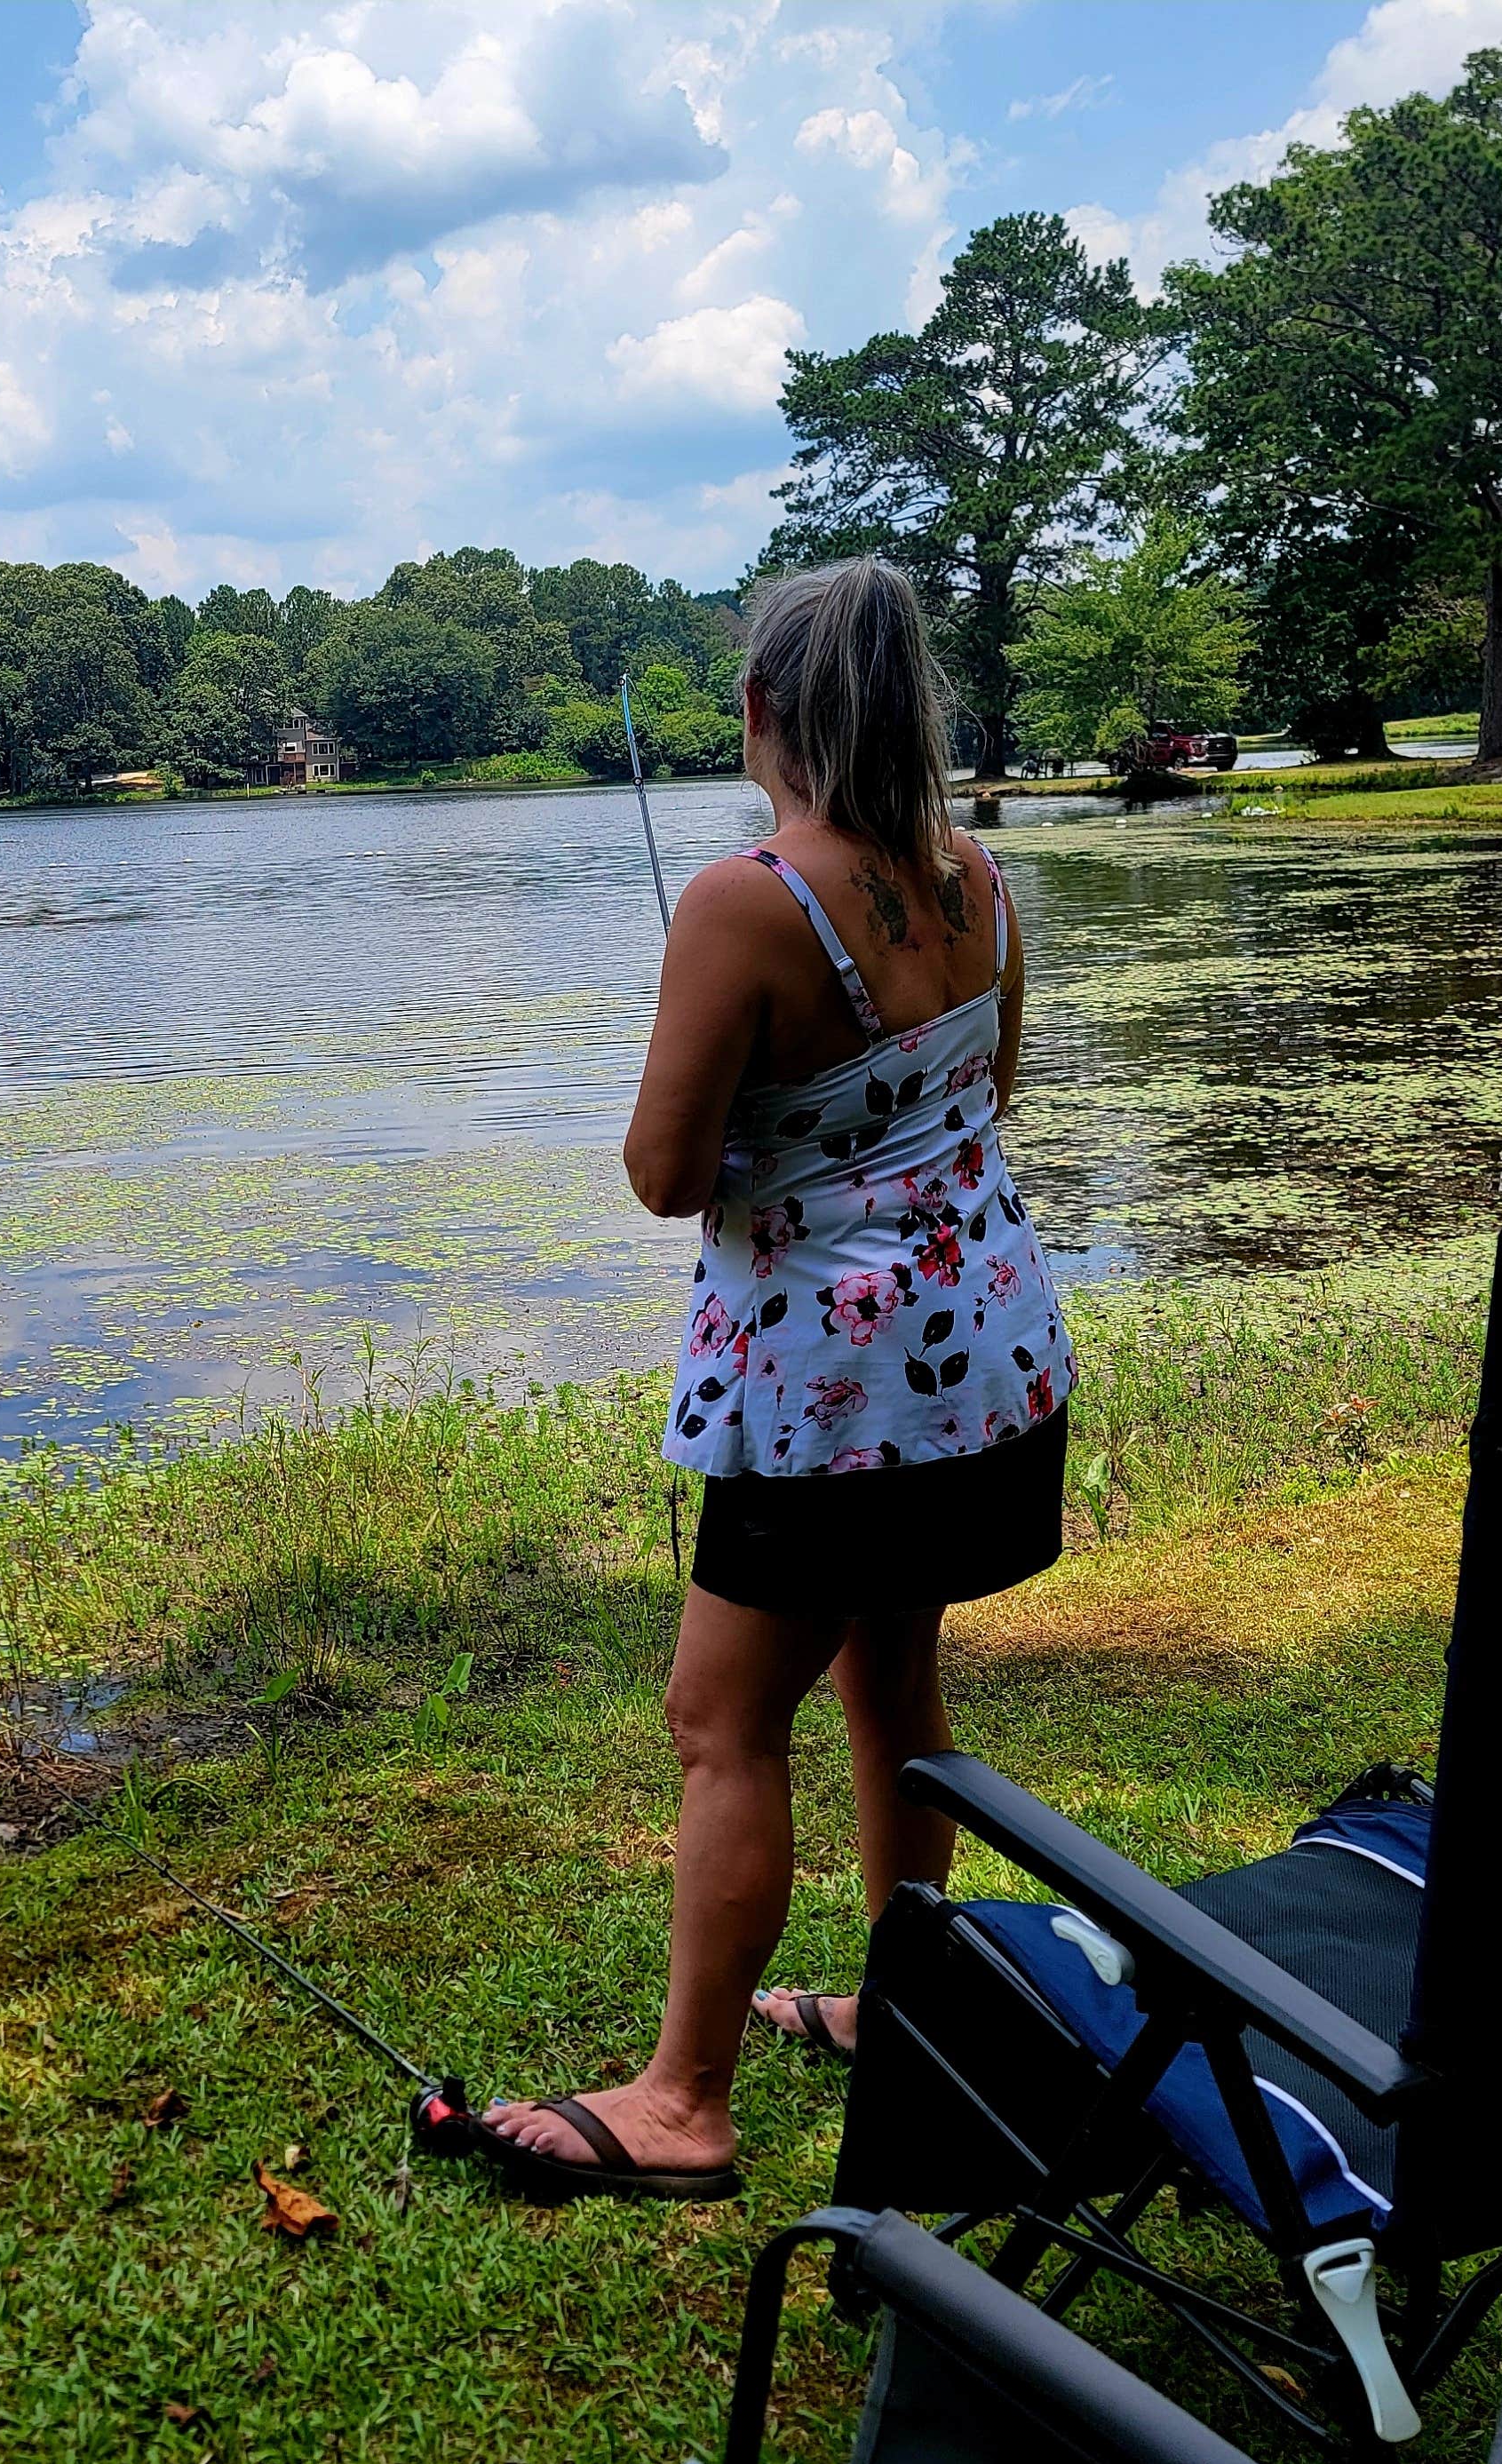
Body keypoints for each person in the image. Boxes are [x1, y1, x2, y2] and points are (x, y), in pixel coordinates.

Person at [481, 557, 1074, 2201]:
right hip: (989, 1375)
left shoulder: (743, 899)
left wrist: (750, 1116)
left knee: (721, 1722)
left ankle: (687, 2097)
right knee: (893, 1692)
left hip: (833, 1406)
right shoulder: (983, 884)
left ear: (763, 714)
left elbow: (667, 1174)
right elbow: (981, 1098)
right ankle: (908, 2010)